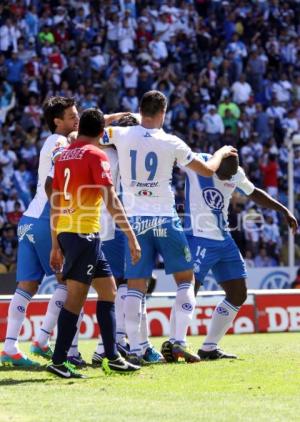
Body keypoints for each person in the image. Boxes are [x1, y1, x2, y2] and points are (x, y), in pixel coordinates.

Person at [102, 90, 237, 364]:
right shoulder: (172, 142)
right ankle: (178, 341)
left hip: (135, 220)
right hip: (165, 218)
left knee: (135, 285)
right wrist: (221, 152)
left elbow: (89, 126)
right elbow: (208, 170)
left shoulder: (121, 135)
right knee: (185, 280)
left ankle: (138, 349)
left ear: (141, 110)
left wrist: (117, 117)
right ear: (163, 112)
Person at [163, 154, 297, 361]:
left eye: (231, 177)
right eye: (223, 176)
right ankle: (175, 343)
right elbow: (169, 153)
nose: (228, 180)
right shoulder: (198, 164)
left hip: (224, 240)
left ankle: (209, 347)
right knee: (189, 289)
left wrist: (283, 209)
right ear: (214, 167)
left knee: (238, 293)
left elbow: (253, 192)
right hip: (197, 238)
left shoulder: (236, 173)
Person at [47, 108, 141, 378]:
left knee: (109, 290)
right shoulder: (96, 154)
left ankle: (110, 356)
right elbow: (111, 199)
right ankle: (59, 359)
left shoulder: (63, 155)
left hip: (72, 232)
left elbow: (55, 200)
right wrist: (131, 237)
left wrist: (55, 242)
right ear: (102, 132)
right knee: (76, 297)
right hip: (82, 233)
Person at [1, 97, 79, 367]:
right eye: (71, 116)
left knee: (26, 287)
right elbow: (52, 183)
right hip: (47, 219)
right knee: (68, 282)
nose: (76, 120)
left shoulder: (53, 141)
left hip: (28, 220)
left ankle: (10, 347)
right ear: (57, 121)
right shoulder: (59, 143)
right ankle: (43, 341)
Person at [91, 114, 161, 365]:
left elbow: (88, 132)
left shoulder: (106, 148)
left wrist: (114, 120)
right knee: (129, 282)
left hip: (108, 220)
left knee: (119, 283)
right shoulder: (116, 151)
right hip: (118, 220)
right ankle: (128, 345)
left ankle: (112, 344)